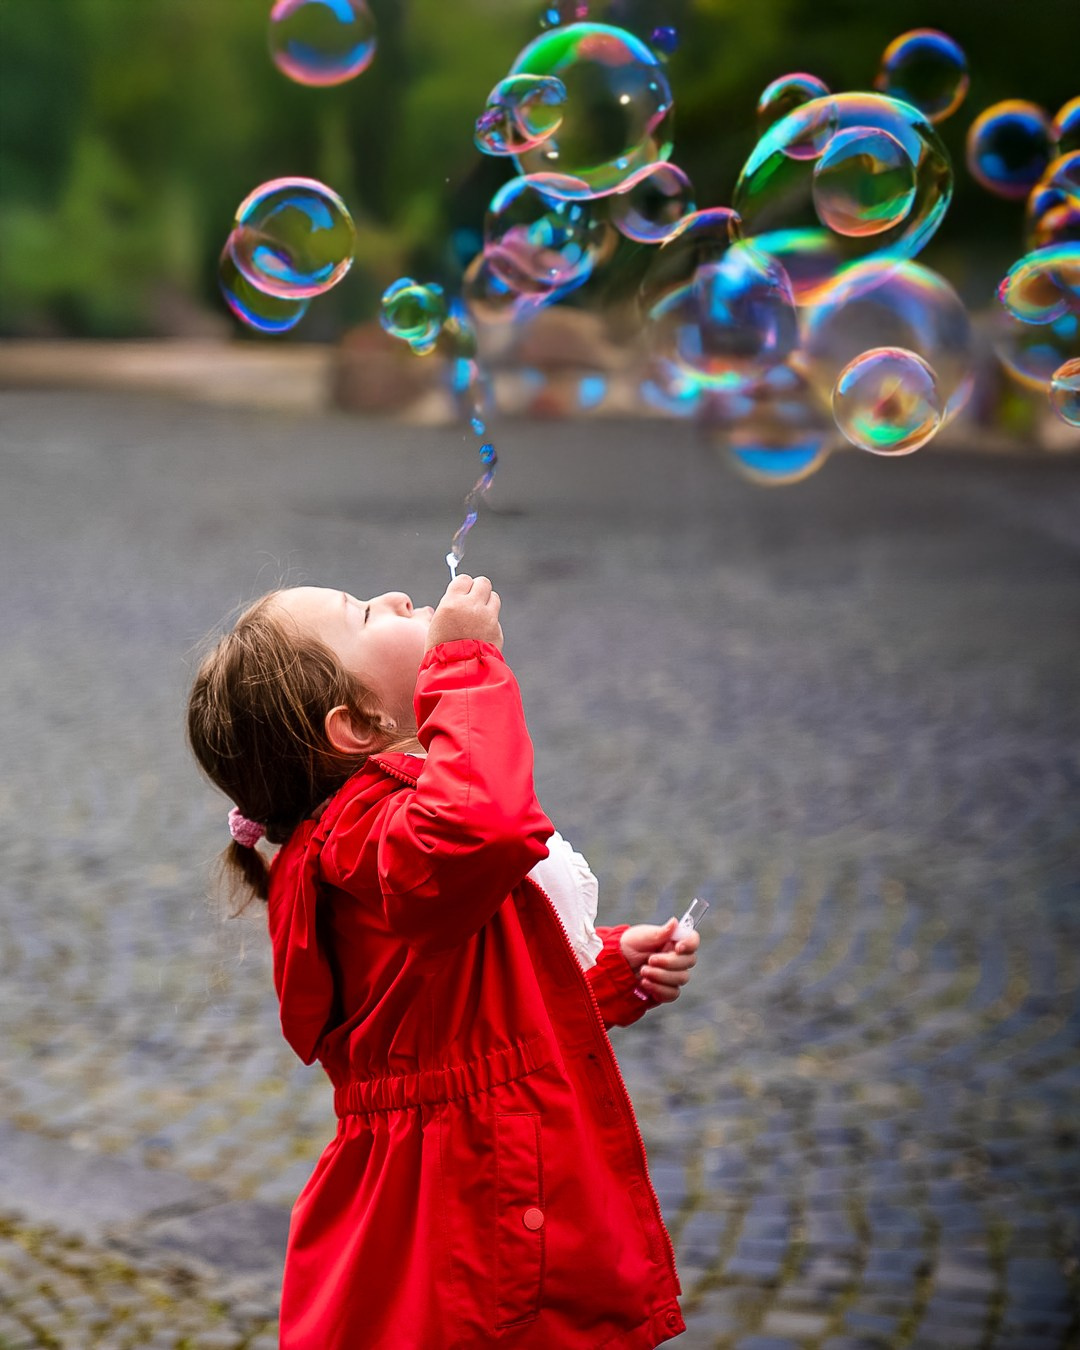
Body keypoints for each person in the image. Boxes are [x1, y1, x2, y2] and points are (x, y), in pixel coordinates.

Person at [187, 573, 701, 1349]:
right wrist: (462, 660)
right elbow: (485, 827)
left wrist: (601, 969)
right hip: (482, 1205)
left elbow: (461, 1003)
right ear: (356, 726)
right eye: (364, 613)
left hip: (482, 1181)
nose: (396, 597)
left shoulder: (377, 831)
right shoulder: (366, 832)